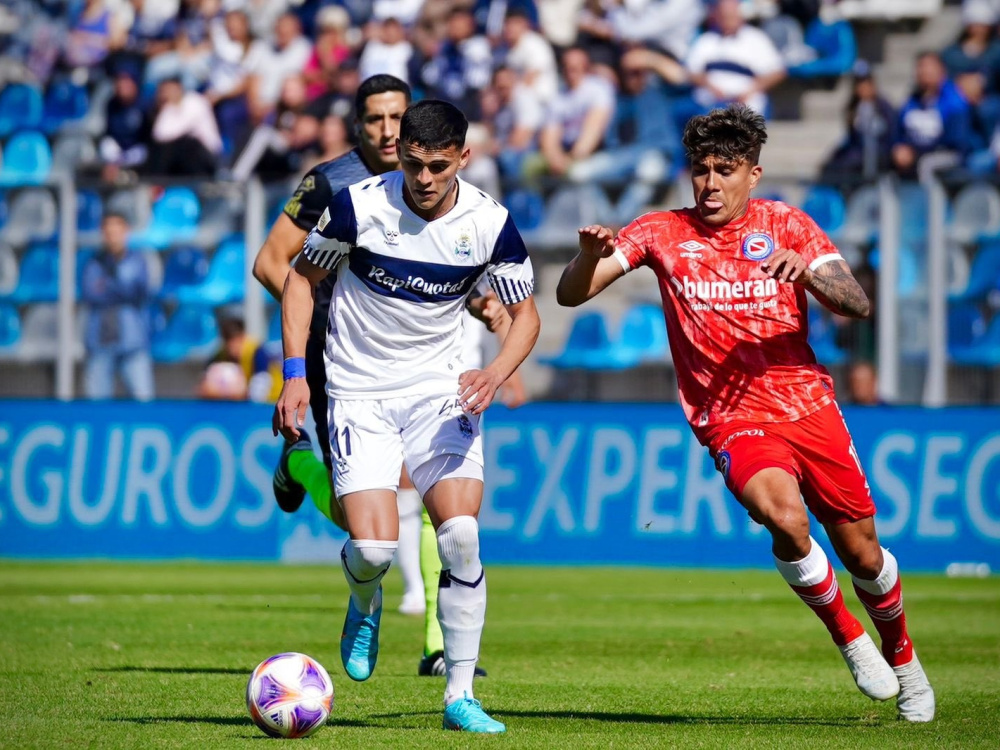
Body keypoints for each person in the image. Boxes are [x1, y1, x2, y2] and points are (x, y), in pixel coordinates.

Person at [555, 104, 935, 723]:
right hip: (730, 416)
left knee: (863, 554)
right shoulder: (660, 232)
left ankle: (907, 664)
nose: (710, 183)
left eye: (724, 170)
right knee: (781, 516)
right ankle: (849, 637)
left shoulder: (787, 224)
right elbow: (572, 294)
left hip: (808, 405)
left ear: (752, 175)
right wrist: (584, 256)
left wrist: (809, 276)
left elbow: (857, 303)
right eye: (700, 170)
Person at [273, 99, 540, 733]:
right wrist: (292, 376)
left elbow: (524, 314)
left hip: (438, 392)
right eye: (413, 164)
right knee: (372, 546)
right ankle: (363, 600)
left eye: (438, 167)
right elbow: (297, 280)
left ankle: (460, 695)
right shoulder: (358, 206)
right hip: (360, 390)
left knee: (461, 536)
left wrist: (496, 372)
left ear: (464, 159)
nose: (423, 179)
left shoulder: (490, 224)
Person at [80, 212, 155, 401]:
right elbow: (91, 294)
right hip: (101, 340)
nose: (112, 237)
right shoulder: (93, 263)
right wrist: (121, 289)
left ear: (126, 232)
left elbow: (139, 292)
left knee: (143, 401)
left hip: (132, 342)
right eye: (108, 232)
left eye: (116, 232)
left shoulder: (138, 261)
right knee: (97, 405)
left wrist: (109, 285)